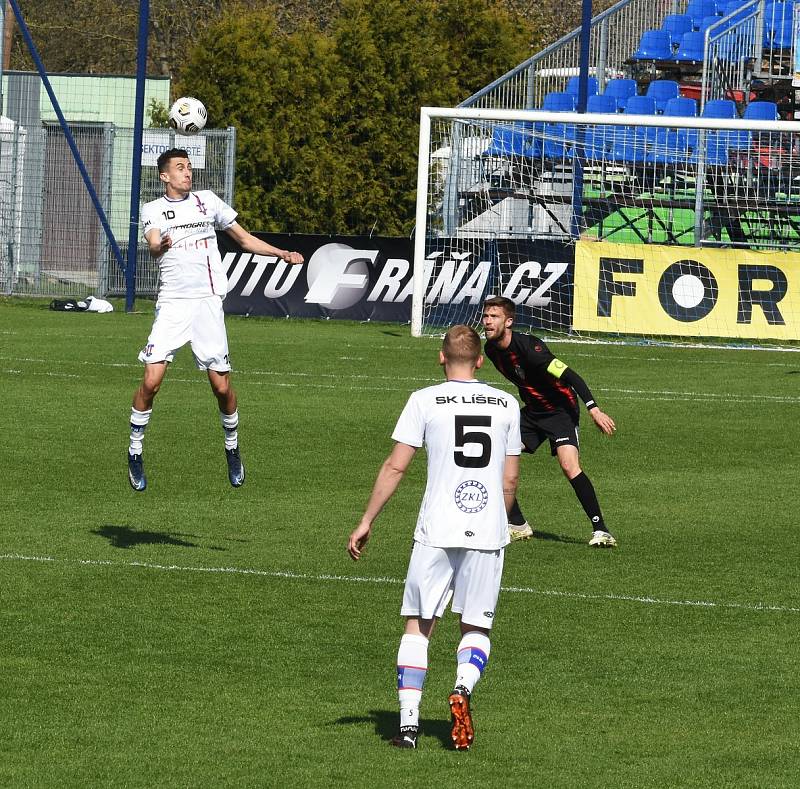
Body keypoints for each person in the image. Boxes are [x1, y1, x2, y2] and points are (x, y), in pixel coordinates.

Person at [347, 325, 521, 751]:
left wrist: (367, 519)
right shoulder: (506, 403)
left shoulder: (424, 400)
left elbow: (395, 467)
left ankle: (407, 728)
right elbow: (510, 476)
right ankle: (461, 688)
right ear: (480, 360)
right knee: (476, 625)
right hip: (488, 527)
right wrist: (497, 516)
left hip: (437, 528)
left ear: (441, 357)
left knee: (418, 627)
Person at [127, 148, 304, 491]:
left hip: (208, 304)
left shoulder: (208, 201)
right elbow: (151, 243)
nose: (187, 172)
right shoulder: (152, 209)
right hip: (174, 304)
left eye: (189, 167)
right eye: (180, 168)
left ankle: (232, 447)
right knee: (151, 383)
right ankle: (135, 451)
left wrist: (281, 253)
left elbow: (244, 238)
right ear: (164, 176)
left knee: (221, 388)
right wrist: (159, 245)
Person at [481, 296, 617, 548]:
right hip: (532, 413)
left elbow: (570, 375)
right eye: (486, 316)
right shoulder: (490, 350)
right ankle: (518, 525)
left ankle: (601, 530)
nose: (488, 322)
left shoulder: (532, 350)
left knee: (568, 465)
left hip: (560, 411)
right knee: (494, 455)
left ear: (508, 322)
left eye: (494, 317)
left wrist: (593, 409)